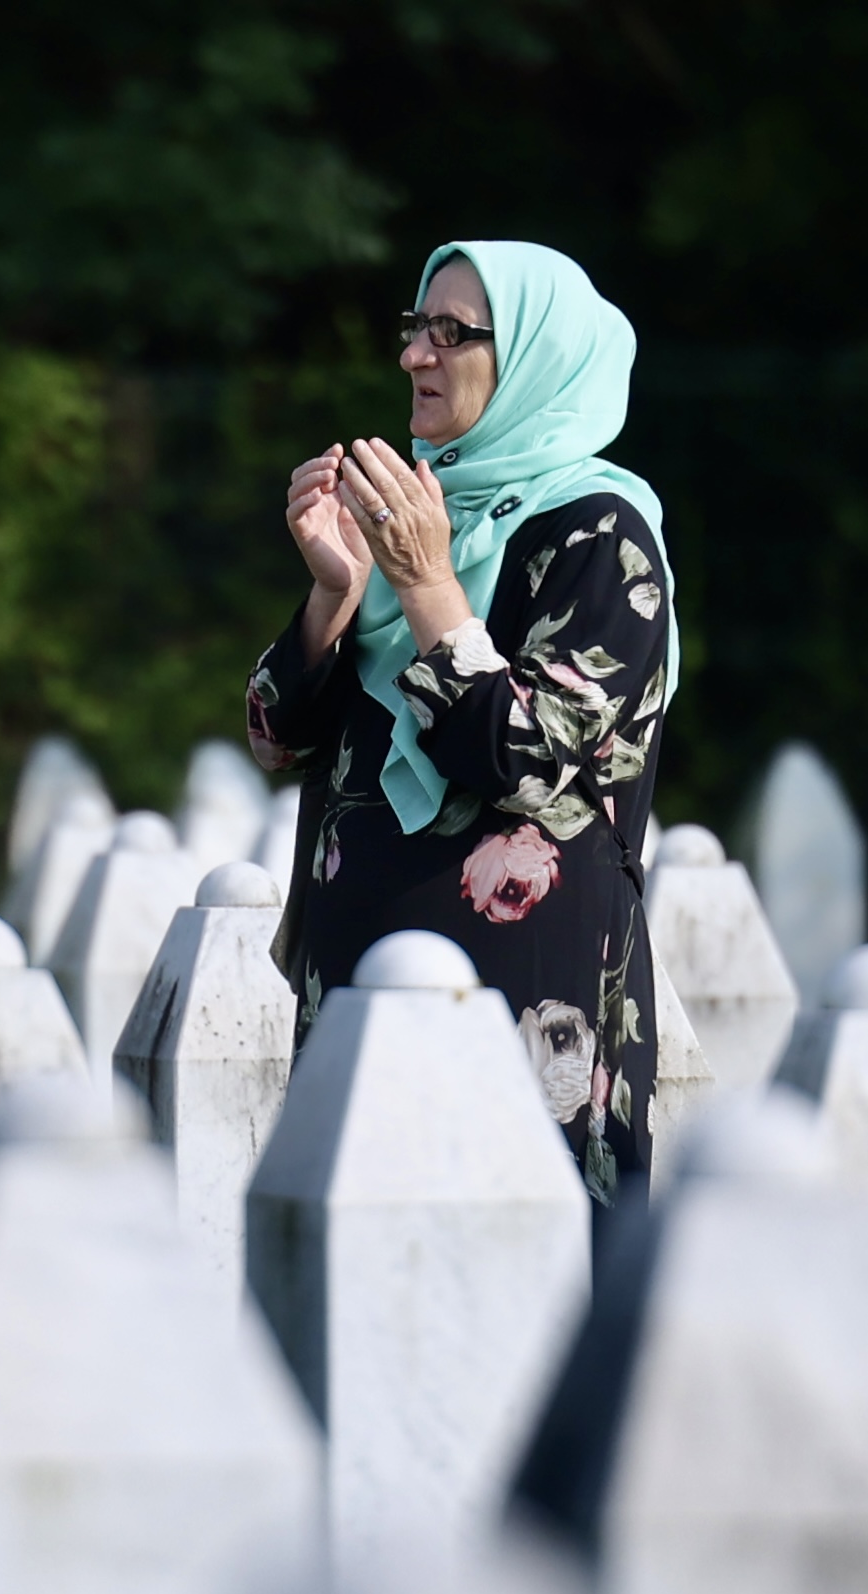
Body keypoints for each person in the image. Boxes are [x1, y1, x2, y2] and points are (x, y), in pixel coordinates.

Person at [247, 241, 678, 1205]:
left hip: (524, 1007)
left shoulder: (598, 537)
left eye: (451, 333)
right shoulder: (417, 514)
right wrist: (336, 592)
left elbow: (524, 761)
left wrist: (429, 583)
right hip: (358, 997)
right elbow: (277, 737)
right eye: (414, 328)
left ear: (530, 357)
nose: (414, 355)